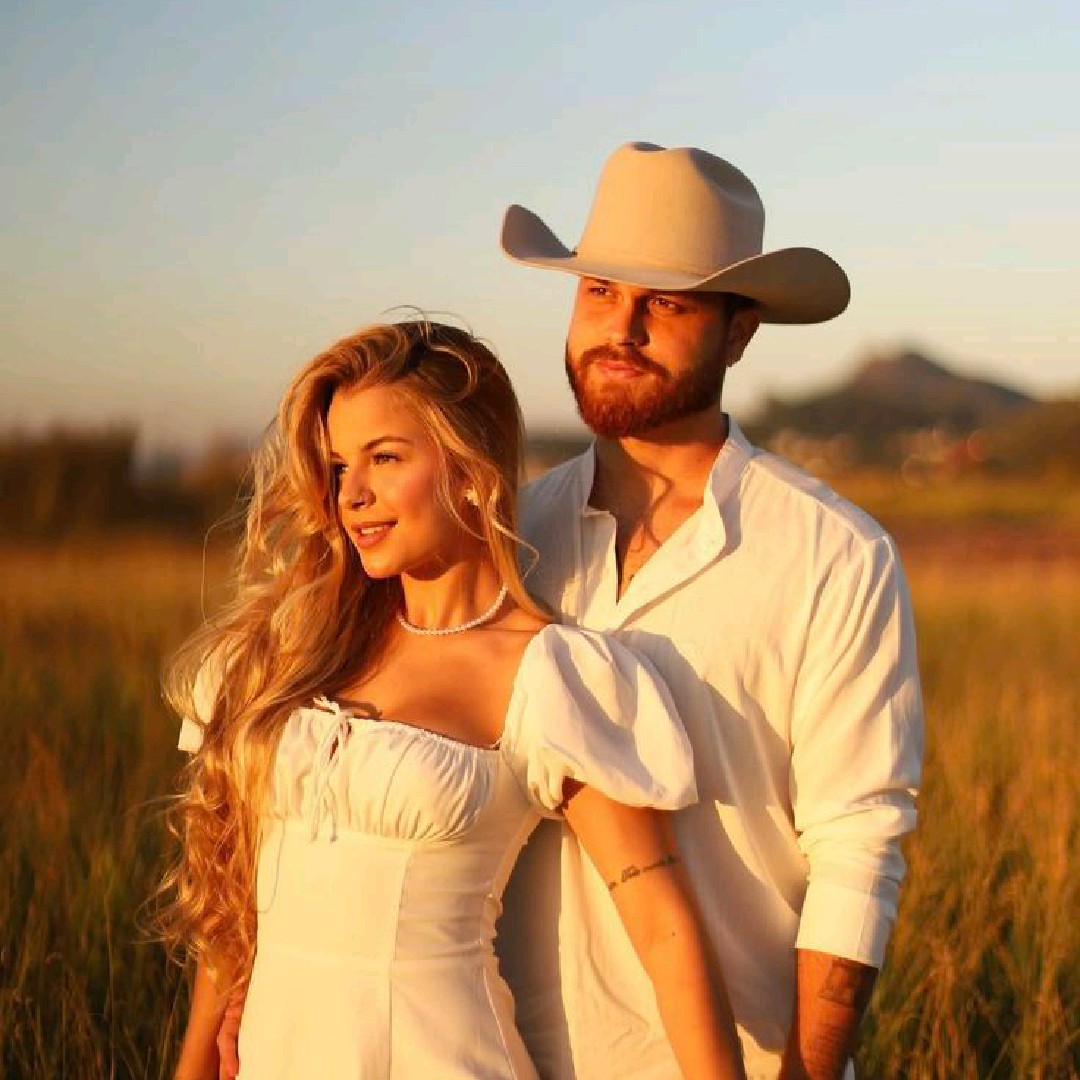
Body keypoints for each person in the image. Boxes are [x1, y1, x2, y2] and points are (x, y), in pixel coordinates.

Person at [160, 319, 748, 1080]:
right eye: (338, 466)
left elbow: (664, 930)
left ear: (471, 468)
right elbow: (233, 897)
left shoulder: (548, 676)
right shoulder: (292, 649)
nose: (352, 495)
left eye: (385, 458)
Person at [493, 142, 924, 1080]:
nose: (622, 328)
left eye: (668, 303)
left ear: (739, 334)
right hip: (509, 1056)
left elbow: (858, 850)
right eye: (599, 292)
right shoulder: (506, 537)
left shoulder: (833, 554)